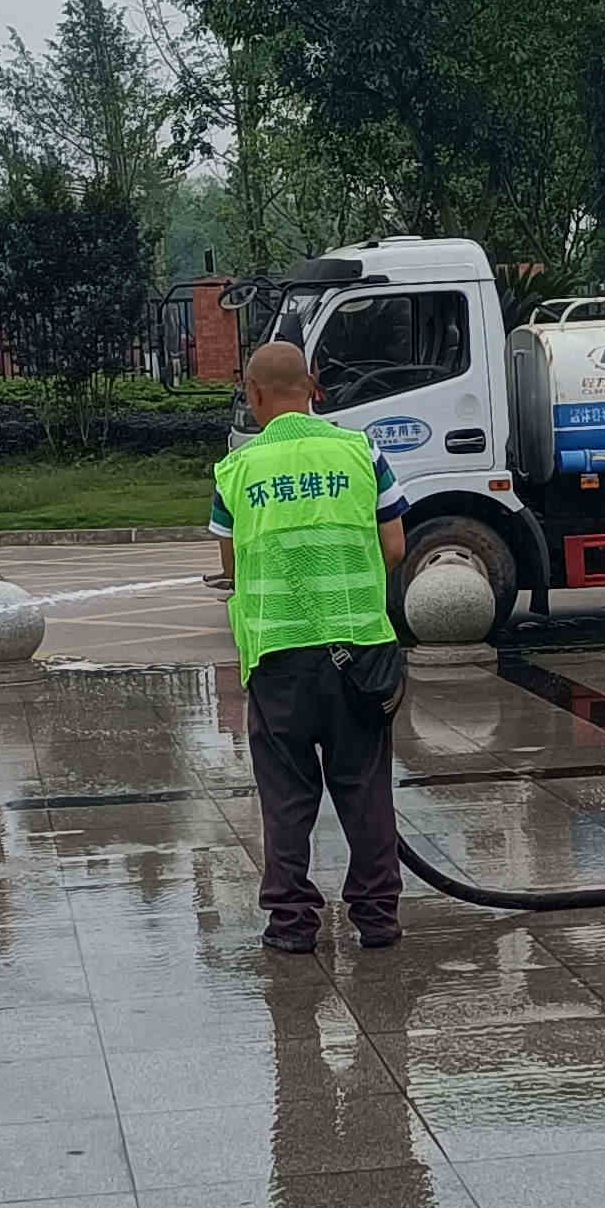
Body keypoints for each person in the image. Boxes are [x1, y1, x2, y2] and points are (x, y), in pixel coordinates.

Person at [209, 341, 410, 952]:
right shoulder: (361, 452)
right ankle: (377, 917)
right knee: (364, 789)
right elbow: (395, 546)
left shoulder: (236, 470)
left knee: (287, 797)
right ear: (314, 387)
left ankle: (292, 923)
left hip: (277, 657)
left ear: (254, 394)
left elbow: (232, 566)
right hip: (360, 656)